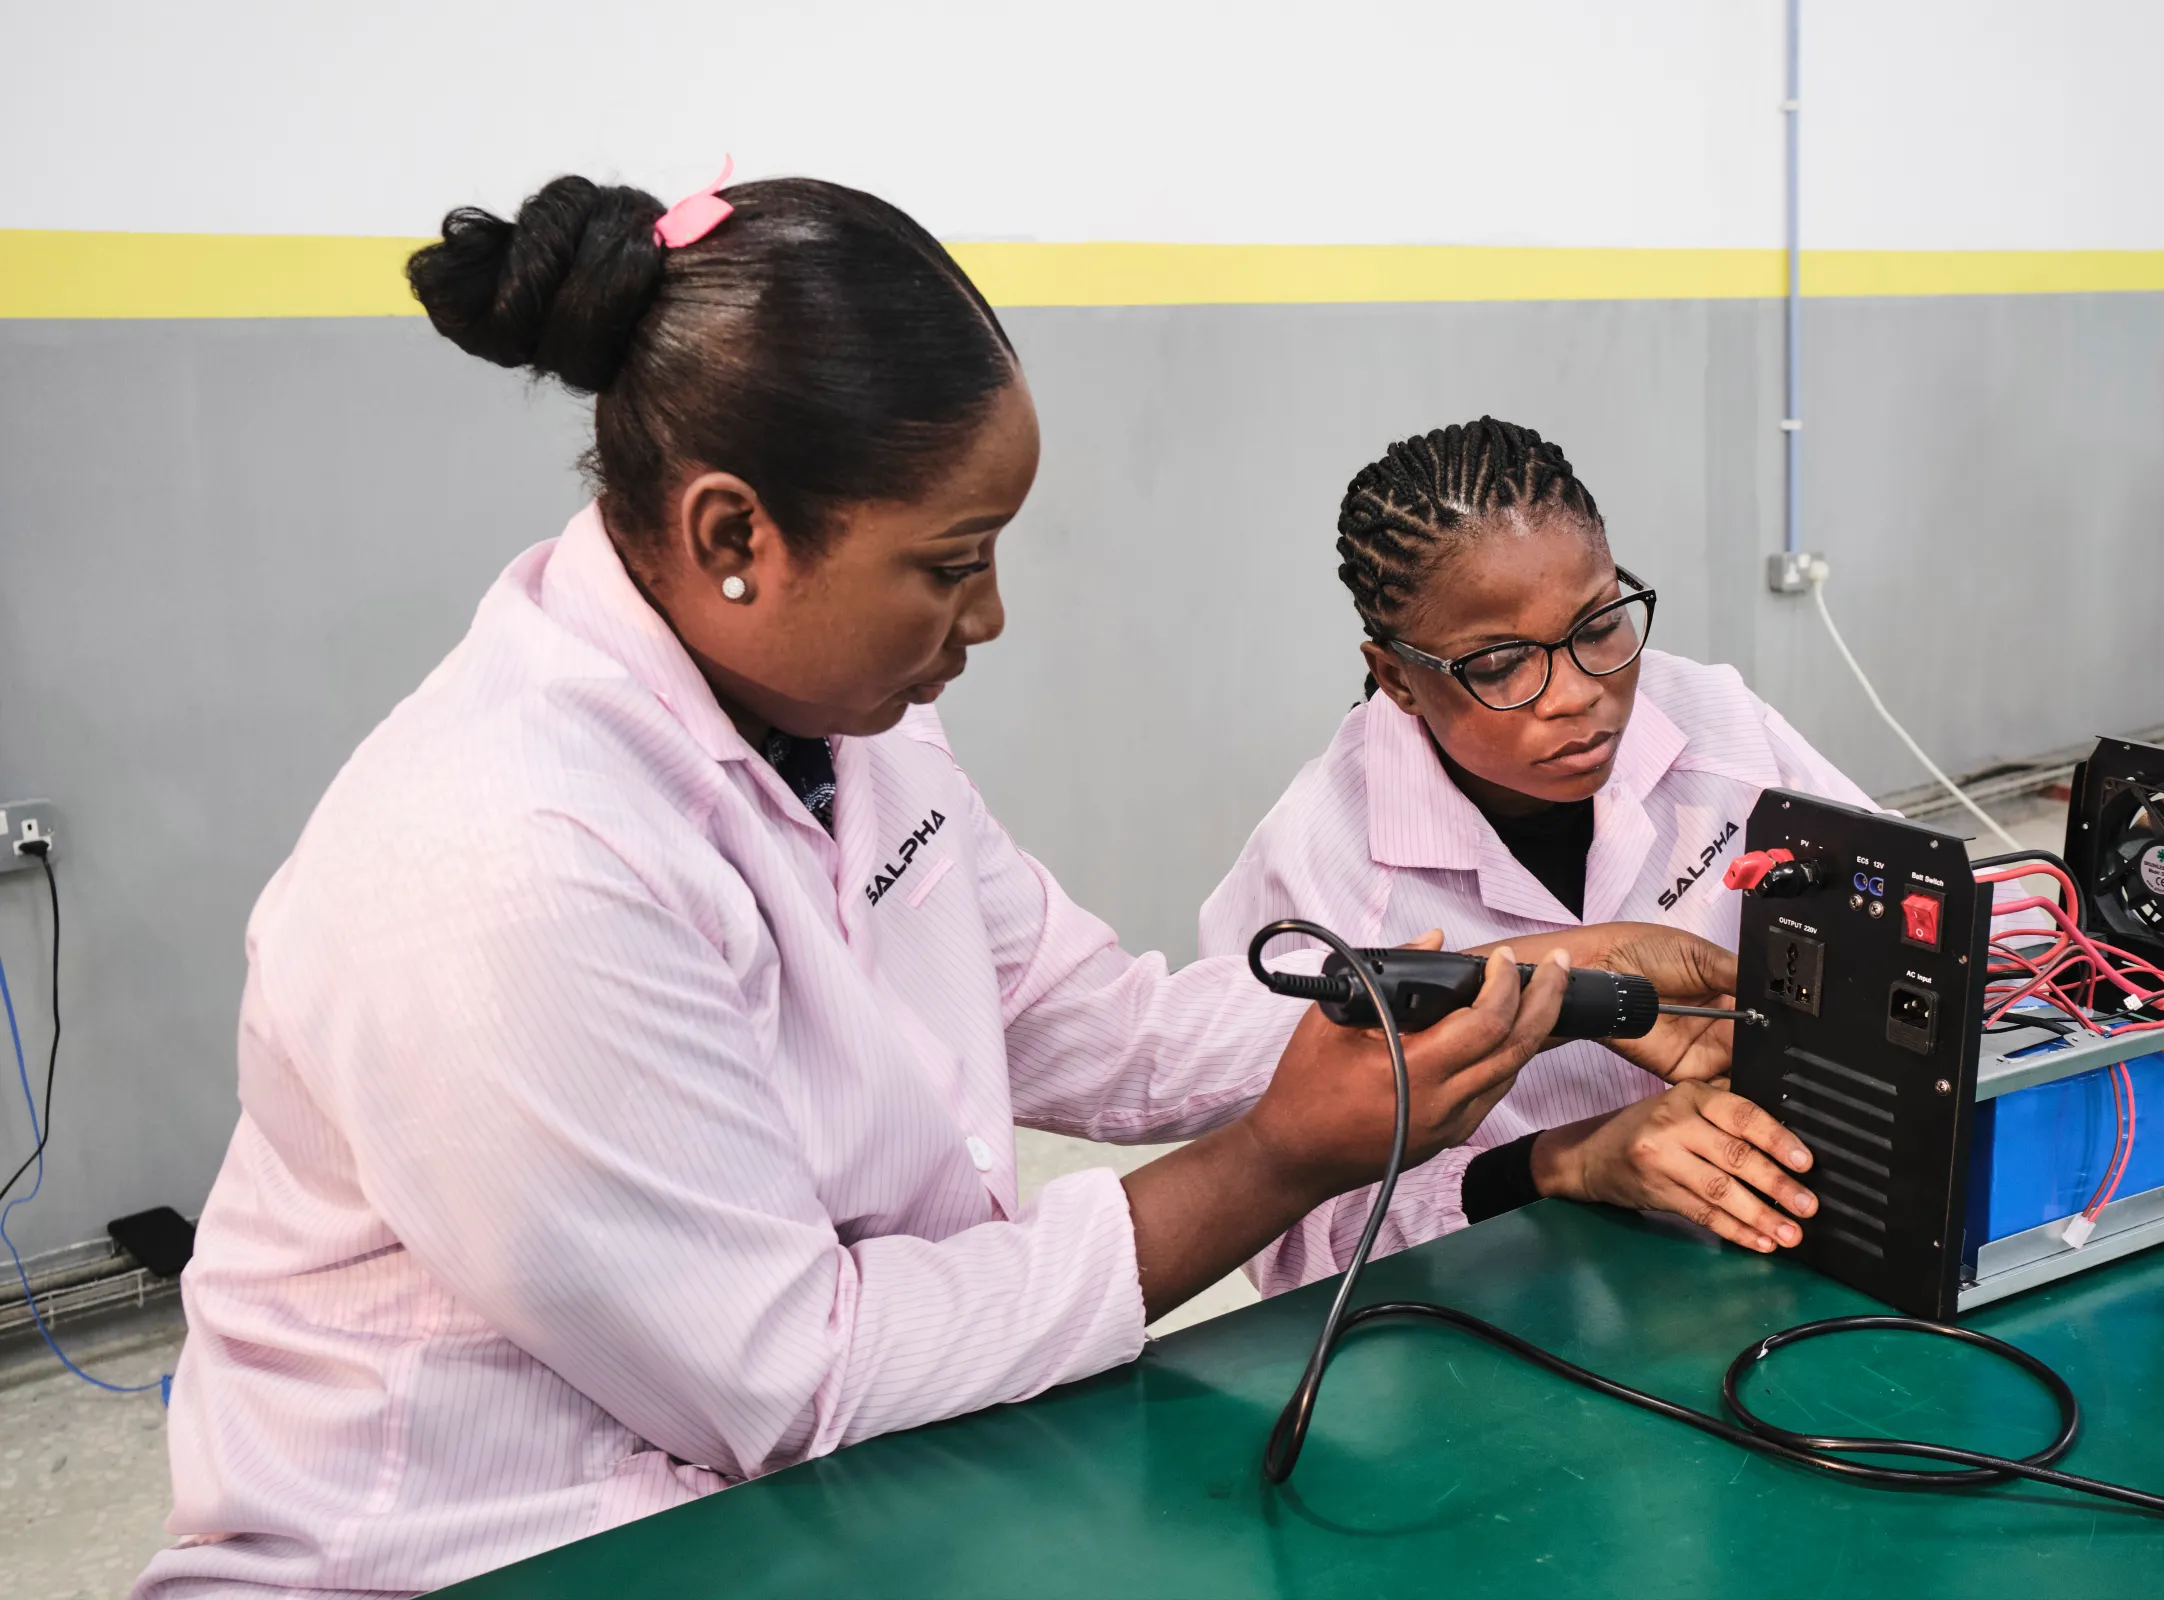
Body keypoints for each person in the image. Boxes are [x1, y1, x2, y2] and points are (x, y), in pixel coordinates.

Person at [134, 180, 1733, 1598]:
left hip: (798, 1494)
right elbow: (790, 1373)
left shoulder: (853, 736)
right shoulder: (506, 862)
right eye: (951, 562)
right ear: (732, 535)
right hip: (482, 1546)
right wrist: (1272, 1166)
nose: (990, 617)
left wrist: (1502, 983)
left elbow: (1101, 1028)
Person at [1202, 417, 1870, 1296]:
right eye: (1505, 662)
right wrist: (1555, 1164)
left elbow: (1921, 931)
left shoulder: (1714, 724)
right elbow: (1302, 1244)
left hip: (1795, 1233)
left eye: (1599, 625)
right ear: (1398, 675)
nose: (1581, 695)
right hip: (1510, 1315)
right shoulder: (1319, 871)